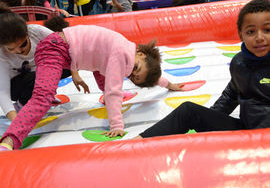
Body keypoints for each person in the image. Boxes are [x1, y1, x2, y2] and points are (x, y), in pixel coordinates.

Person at [0, 15, 182, 151]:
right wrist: (117, 125)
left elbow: (147, 72)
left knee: (102, 70)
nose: (131, 73)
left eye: (134, 78)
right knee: (42, 97)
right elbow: (113, 91)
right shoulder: (122, 53)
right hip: (55, 49)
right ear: (141, 54)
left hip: (60, 48)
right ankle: (10, 139)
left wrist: (167, 84)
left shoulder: (127, 51)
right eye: (135, 68)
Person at [134, 0, 270, 139]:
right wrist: (209, 120)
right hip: (247, 132)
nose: (259, 37)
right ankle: (137, 143)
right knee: (189, 111)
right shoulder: (239, 62)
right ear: (241, 35)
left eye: (267, 30)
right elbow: (231, 95)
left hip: (264, 138)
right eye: (251, 32)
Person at [0, 5, 71, 126]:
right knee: (36, 77)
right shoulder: (2, 54)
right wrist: (16, 121)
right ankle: (23, 103)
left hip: (41, 74)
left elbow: (65, 46)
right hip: (18, 85)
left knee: (68, 64)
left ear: (27, 34)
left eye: (23, 44)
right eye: (11, 49)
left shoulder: (36, 32)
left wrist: (74, 70)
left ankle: (45, 95)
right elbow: (3, 92)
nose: (19, 51)